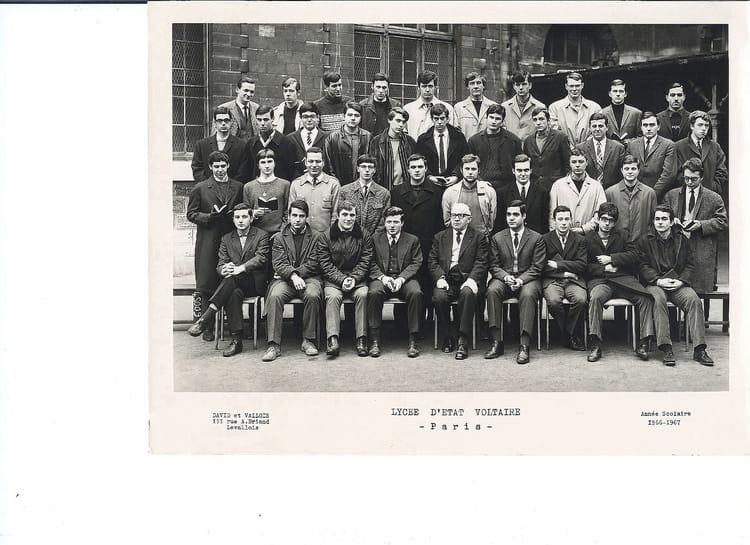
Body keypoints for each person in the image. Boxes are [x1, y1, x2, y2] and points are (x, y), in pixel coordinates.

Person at [187, 203, 270, 357]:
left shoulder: (262, 235)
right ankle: (237, 341)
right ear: (233, 220)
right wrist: (223, 269)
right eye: (237, 217)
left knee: (231, 281)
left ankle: (206, 317)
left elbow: (261, 258)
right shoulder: (226, 238)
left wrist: (241, 268)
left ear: (251, 218)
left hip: (254, 284)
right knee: (233, 292)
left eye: (244, 217)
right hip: (233, 285)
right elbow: (220, 264)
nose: (241, 220)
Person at [636, 204, 713, 366]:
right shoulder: (645, 240)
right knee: (658, 300)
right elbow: (642, 266)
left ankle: (699, 349)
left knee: (694, 301)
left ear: (671, 222)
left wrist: (681, 281)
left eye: (664, 219)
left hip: (677, 283)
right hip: (656, 283)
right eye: (657, 219)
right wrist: (658, 280)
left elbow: (690, 264)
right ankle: (666, 348)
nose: (660, 222)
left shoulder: (682, 239)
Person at [186, 151, 245, 341]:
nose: (220, 170)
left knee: (229, 278)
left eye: (223, 166)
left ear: (228, 166)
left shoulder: (238, 187)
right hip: (208, 239)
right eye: (216, 166)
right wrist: (208, 217)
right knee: (207, 281)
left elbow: (242, 209)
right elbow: (191, 214)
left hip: (230, 239)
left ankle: (229, 323)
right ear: (210, 167)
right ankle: (208, 327)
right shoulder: (201, 188)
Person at [583, 202, 653, 362]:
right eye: (604, 219)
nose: (607, 223)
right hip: (601, 281)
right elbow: (584, 266)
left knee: (645, 298)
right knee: (595, 298)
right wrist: (604, 269)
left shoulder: (623, 235)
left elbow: (635, 255)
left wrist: (612, 259)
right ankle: (595, 343)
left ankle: (644, 343)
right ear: (597, 219)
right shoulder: (588, 239)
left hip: (623, 280)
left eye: (611, 220)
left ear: (615, 222)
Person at [484, 200, 545, 364]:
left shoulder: (536, 238)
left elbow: (537, 267)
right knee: (492, 290)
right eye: (509, 214)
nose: (511, 218)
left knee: (528, 294)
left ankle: (524, 345)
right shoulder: (497, 238)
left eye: (516, 214)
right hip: (505, 278)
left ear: (524, 216)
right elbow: (493, 265)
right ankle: (496, 342)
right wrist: (506, 277)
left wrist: (521, 280)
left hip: (528, 279)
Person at [262, 200, 323, 362]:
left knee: (312, 294)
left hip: (309, 278)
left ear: (307, 217)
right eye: (294, 215)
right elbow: (279, 263)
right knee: (275, 296)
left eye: (301, 216)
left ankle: (308, 340)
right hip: (285, 279)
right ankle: (273, 344)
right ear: (288, 217)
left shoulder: (317, 237)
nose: (297, 219)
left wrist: (298, 274)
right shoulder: (279, 238)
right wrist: (293, 276)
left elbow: (315, 263)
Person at [428, 202, 489, 360]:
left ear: (469, 219)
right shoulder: (440, 237)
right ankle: (447, 335)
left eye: (461, 216)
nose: (456, 219)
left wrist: (472, 279)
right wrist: (440, 277)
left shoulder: (479, 237)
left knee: (468, 294)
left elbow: (482, 262)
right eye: (454, 215)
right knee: (439, 297)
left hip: (468, 279)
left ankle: (463, 339)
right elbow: (432, 261)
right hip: (447, 279)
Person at [315, 201, 374, 357]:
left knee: (363, 295)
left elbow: (366, 260)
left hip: (357, 278)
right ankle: (332, 339)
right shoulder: (326, 236)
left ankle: (362, 339)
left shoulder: (364, 235)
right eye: (345, 215)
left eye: (352, 215)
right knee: (332, 297)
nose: (348, 218)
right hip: (334, 279)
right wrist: (341, 280)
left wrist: (354, 278)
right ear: (338, 216)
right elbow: (325, 264)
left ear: (356, 216)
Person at [366, 206, 424, 358]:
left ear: (402, 223)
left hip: (404, 278)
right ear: (384, 222)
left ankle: (413, 340)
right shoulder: (375, 239)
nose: (392, 225)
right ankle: (374, 340)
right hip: (382, 277)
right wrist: (383, 278)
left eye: (396, 222)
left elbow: (416, 262)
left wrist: (401, 278)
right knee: (374, 292)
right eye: (389, 222)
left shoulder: (412, 240)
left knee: (416, 293)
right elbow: (370, 262)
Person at [664, 158, 727, 294]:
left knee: (701, 290)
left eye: (694, 179)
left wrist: (701, 225)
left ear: (702, 177)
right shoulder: (671, 195)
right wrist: (672, 221)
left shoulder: (714, 198)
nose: (689, 182)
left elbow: (722, 221)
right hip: (677, 248)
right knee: (675, 290)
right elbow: (663, 215)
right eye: (686, 178)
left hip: (701, 249)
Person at [390, 153, 445, 310]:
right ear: (407, 170)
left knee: (426, 286)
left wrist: (435, 247)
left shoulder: (437, 192)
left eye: (420, 167)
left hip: (427, 245)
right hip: (404, 247)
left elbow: (440, 223)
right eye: (413, 167)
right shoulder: (396, 192)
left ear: (426, 169)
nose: (417, 170)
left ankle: (427, 320)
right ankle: (400, 320)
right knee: (404, 282)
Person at [541, 205, 588, 350]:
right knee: (554, 301)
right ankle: (570, 334)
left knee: (580, 299)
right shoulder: (544, 239)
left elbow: (582, 265)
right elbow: (542, 266)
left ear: (571, 221)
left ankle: (567, 334)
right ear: (554, 221)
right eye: (560, 219)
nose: (563, 223)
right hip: (553, 280)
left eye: (566, 219)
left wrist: (558, 264)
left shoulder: (579, 239)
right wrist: (565, 273)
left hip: (574, 281)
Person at [467, 103, 522, 191]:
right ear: (486, 118)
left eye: (497, 119)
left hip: (507, 187)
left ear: (502, 121)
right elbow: (469, 164)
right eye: (491, 117)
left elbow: (519, 164)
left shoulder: (513, 140)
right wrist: (479, 181)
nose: (493, 121)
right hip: (482, 186)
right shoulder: (474, 140)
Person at [548, 150, 607, 234]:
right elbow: (552, 214)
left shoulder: (596, 186)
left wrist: (584, 229)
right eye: (574, 162)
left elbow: (600, 212)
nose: (577, 165)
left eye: (581, 161)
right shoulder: (558, 185)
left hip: (588, 235)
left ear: (587, 163)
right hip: (564, 235)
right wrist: (555, 235)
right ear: (569, 164)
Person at [441, 154, 497, 241]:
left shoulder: (489, 191)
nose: (470, 172)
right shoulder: (450, 192)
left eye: (473, 169)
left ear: (479, 170)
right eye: (467, 169)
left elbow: (492, 218)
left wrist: (485, 234)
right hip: (459, 240)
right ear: (461, 170)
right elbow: (447, 221)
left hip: (481, 239)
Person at [604, 154, 657, 242]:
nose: (630, 172)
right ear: (621, 170)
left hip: (642, 242)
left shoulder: (649, 193)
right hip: (617, 242)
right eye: (626, 169)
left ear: (638, 170)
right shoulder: (610, 192)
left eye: (633, 169)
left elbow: (653, 220)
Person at [673, 111, 728, 195]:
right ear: (692, 126)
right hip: (687, 194)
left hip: (710, 194)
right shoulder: (679, 146)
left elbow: (722, 172)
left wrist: (713, 187)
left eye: (706, 125)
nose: (704, 129)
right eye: (700, 125)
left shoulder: (715, 147)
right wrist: (690, 187)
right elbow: (676, 173)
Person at [415, 103, 468, 188]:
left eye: (442, 118)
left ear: (447, 119)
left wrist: (456, 176)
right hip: (431, 184)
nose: (439, 122)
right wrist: (429, 176)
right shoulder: (423, 139)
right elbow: (418, 160)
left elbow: (465, 159)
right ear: (432, 119)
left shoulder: (459, 137)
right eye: (436, 119)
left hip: (454, 183)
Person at [288, 147, 340, 233]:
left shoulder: (333, 184)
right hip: (302, 236)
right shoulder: (296, 184)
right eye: (311, 161)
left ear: (323, 162)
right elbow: (290, 215)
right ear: (305, 162)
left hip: (325, 236)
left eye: (318, 161)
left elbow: (335, 215)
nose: (314, 165)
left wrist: (330, 235)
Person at [626, 111, 676, 198]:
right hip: (634, 194)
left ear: (658, 127)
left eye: (652, 125)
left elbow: (668, 175)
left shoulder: (668, 145)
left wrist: (651, 195)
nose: (648, 128)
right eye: (645, 125)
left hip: (658, 196)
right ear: (641, 127)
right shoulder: (632, 145)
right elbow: (627, 170)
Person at [496, 154, 549, 235]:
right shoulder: (503, 193)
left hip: (535, 239)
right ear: (513, 171)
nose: (523, 174)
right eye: (519, 170)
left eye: (526, 170)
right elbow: (500, 222)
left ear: (531, 170)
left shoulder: (542, 192)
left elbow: (544, 223)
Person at [339, 154, 391, 237]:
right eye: (363, 167)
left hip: (374, 240)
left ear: (374, 170)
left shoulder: (383, 193)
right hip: (349, 238)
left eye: (370, 167)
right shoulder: (345, 191)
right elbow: (340, 217)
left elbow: (383, 221)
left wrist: (374, 238)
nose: (367, 170)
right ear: (358, 169)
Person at [322, 102, 373, 185]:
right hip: (339, 185)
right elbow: (328, 165)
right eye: (350, 115)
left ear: (361, 118)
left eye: (356, 115)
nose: (353, 118)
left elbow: (372, 162)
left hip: (362, 184)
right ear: (344, 116)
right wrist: (335, 183)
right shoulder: (333, 138)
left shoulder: (367, 137)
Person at [242, 149, 290, 236]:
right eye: (263, 162)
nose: (267, 166)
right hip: (256, 234)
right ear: (258, 165)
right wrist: (254, 213)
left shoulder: (285, 184)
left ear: (274, 163)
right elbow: (245, 213)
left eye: (270, 161)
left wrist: (282, 231)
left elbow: (287, 212)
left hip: (278, 234)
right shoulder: (248, 187)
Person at [192, 107, 247, 182]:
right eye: (220, 121)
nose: (223, 123)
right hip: (207, 187)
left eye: (226, 120)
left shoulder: (241, 145)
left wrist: (231, 186)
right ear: (215, 123)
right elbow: (197, 169)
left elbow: (243, 171)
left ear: (231, 122)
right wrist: (208, 186)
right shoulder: (201, 145)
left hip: (233, 188)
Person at [522, 107, 571, 191]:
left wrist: (564, 185)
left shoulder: (560, 137)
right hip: (535, 187)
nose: (538, 123)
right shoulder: (528, 141)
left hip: (555, 186)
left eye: (541, 119)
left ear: (548, 121)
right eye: (535, 120)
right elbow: (526, 164)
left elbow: (567, 164)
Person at [548, 72, 601, 149]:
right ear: (566, 86)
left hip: (588, 151)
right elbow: (555, 133)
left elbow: (597, 131)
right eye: (571, 86)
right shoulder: (555, 108)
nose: (574, 89)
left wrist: (583, 147)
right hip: (563, 151)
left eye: (577, 86)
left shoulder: (595, 108)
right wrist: (569, 148)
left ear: (582, 85)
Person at [279, 102, 331, 180]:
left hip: (321, 180)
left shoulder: (327, 137)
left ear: (317, 117)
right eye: (305, 117)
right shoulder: (290, 138)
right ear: (300, 118)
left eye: (312, 116)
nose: (309, 120)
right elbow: (287, 164)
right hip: (298, 181)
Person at [369, 107, 417, 190]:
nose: (401, 125)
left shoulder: (410, 141)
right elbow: (372, 167)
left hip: (405, 188)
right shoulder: (377, 141)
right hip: (383, 187)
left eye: (404, 122)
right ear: (389, 120)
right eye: (398, 120)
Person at [575, 112, 626, 189]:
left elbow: (622, 174)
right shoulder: (581, 148)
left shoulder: (618, 148)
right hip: (588, 190)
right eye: (594, 126)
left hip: (611, 190)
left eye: (600, 126)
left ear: (607, 127)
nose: (597, 129)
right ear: (590, 128)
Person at [238, 105, 288, 182]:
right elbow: (246, 171)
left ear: (273, 119)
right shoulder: (251, 144)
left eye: (266, 119)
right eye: (259, 120)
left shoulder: (285, 142)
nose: (262, 123)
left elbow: (289, 170)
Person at [403, 70, 456, 139]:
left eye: (430, 86)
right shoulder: (408, 109)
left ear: (435, 87)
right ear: (418, 88)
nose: (427, 90)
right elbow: (403, 135)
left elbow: (452, 134)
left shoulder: (447, 108)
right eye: (424, 86)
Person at [501, 70, 546, 141]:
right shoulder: (505, 107)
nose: (521, 87)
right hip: (511, 146)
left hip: (531, 147)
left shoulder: (540, 107)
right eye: (518, 85)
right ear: (514, 86)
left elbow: (544, 133)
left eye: (524, 84)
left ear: (530, 85)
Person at [454, 71, 498, 140]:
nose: (476, 86)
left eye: (478, 83)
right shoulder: (459, 108)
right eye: (472, 83)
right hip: (467, 145)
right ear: (467, 87)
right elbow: (456, 133)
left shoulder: (494, 106)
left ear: (483, 86)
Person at [600, 79, 643, 144]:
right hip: (610, 149)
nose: (618, 94)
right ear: (610, 94)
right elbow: (599, 135)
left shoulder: (636, 113)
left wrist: (630, 141)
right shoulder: (602, 113)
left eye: (621, 91)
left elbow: (641, 136)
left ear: (625, 94)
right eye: (615, 91)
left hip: (630, 149)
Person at [359, 72, 401, 136]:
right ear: (372, 86)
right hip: (370, 141)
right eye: (378, 87)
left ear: (388, 88)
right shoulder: (363, 105)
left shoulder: (395, 105)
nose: (381, 91)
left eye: (384, 87)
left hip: (389, 141)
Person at [217, 76, 259, 140]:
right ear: (237, 90)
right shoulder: (224, 108)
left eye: (252, 92)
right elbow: (215, 136)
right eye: (246, 90)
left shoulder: (257, 108)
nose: (249, 94)